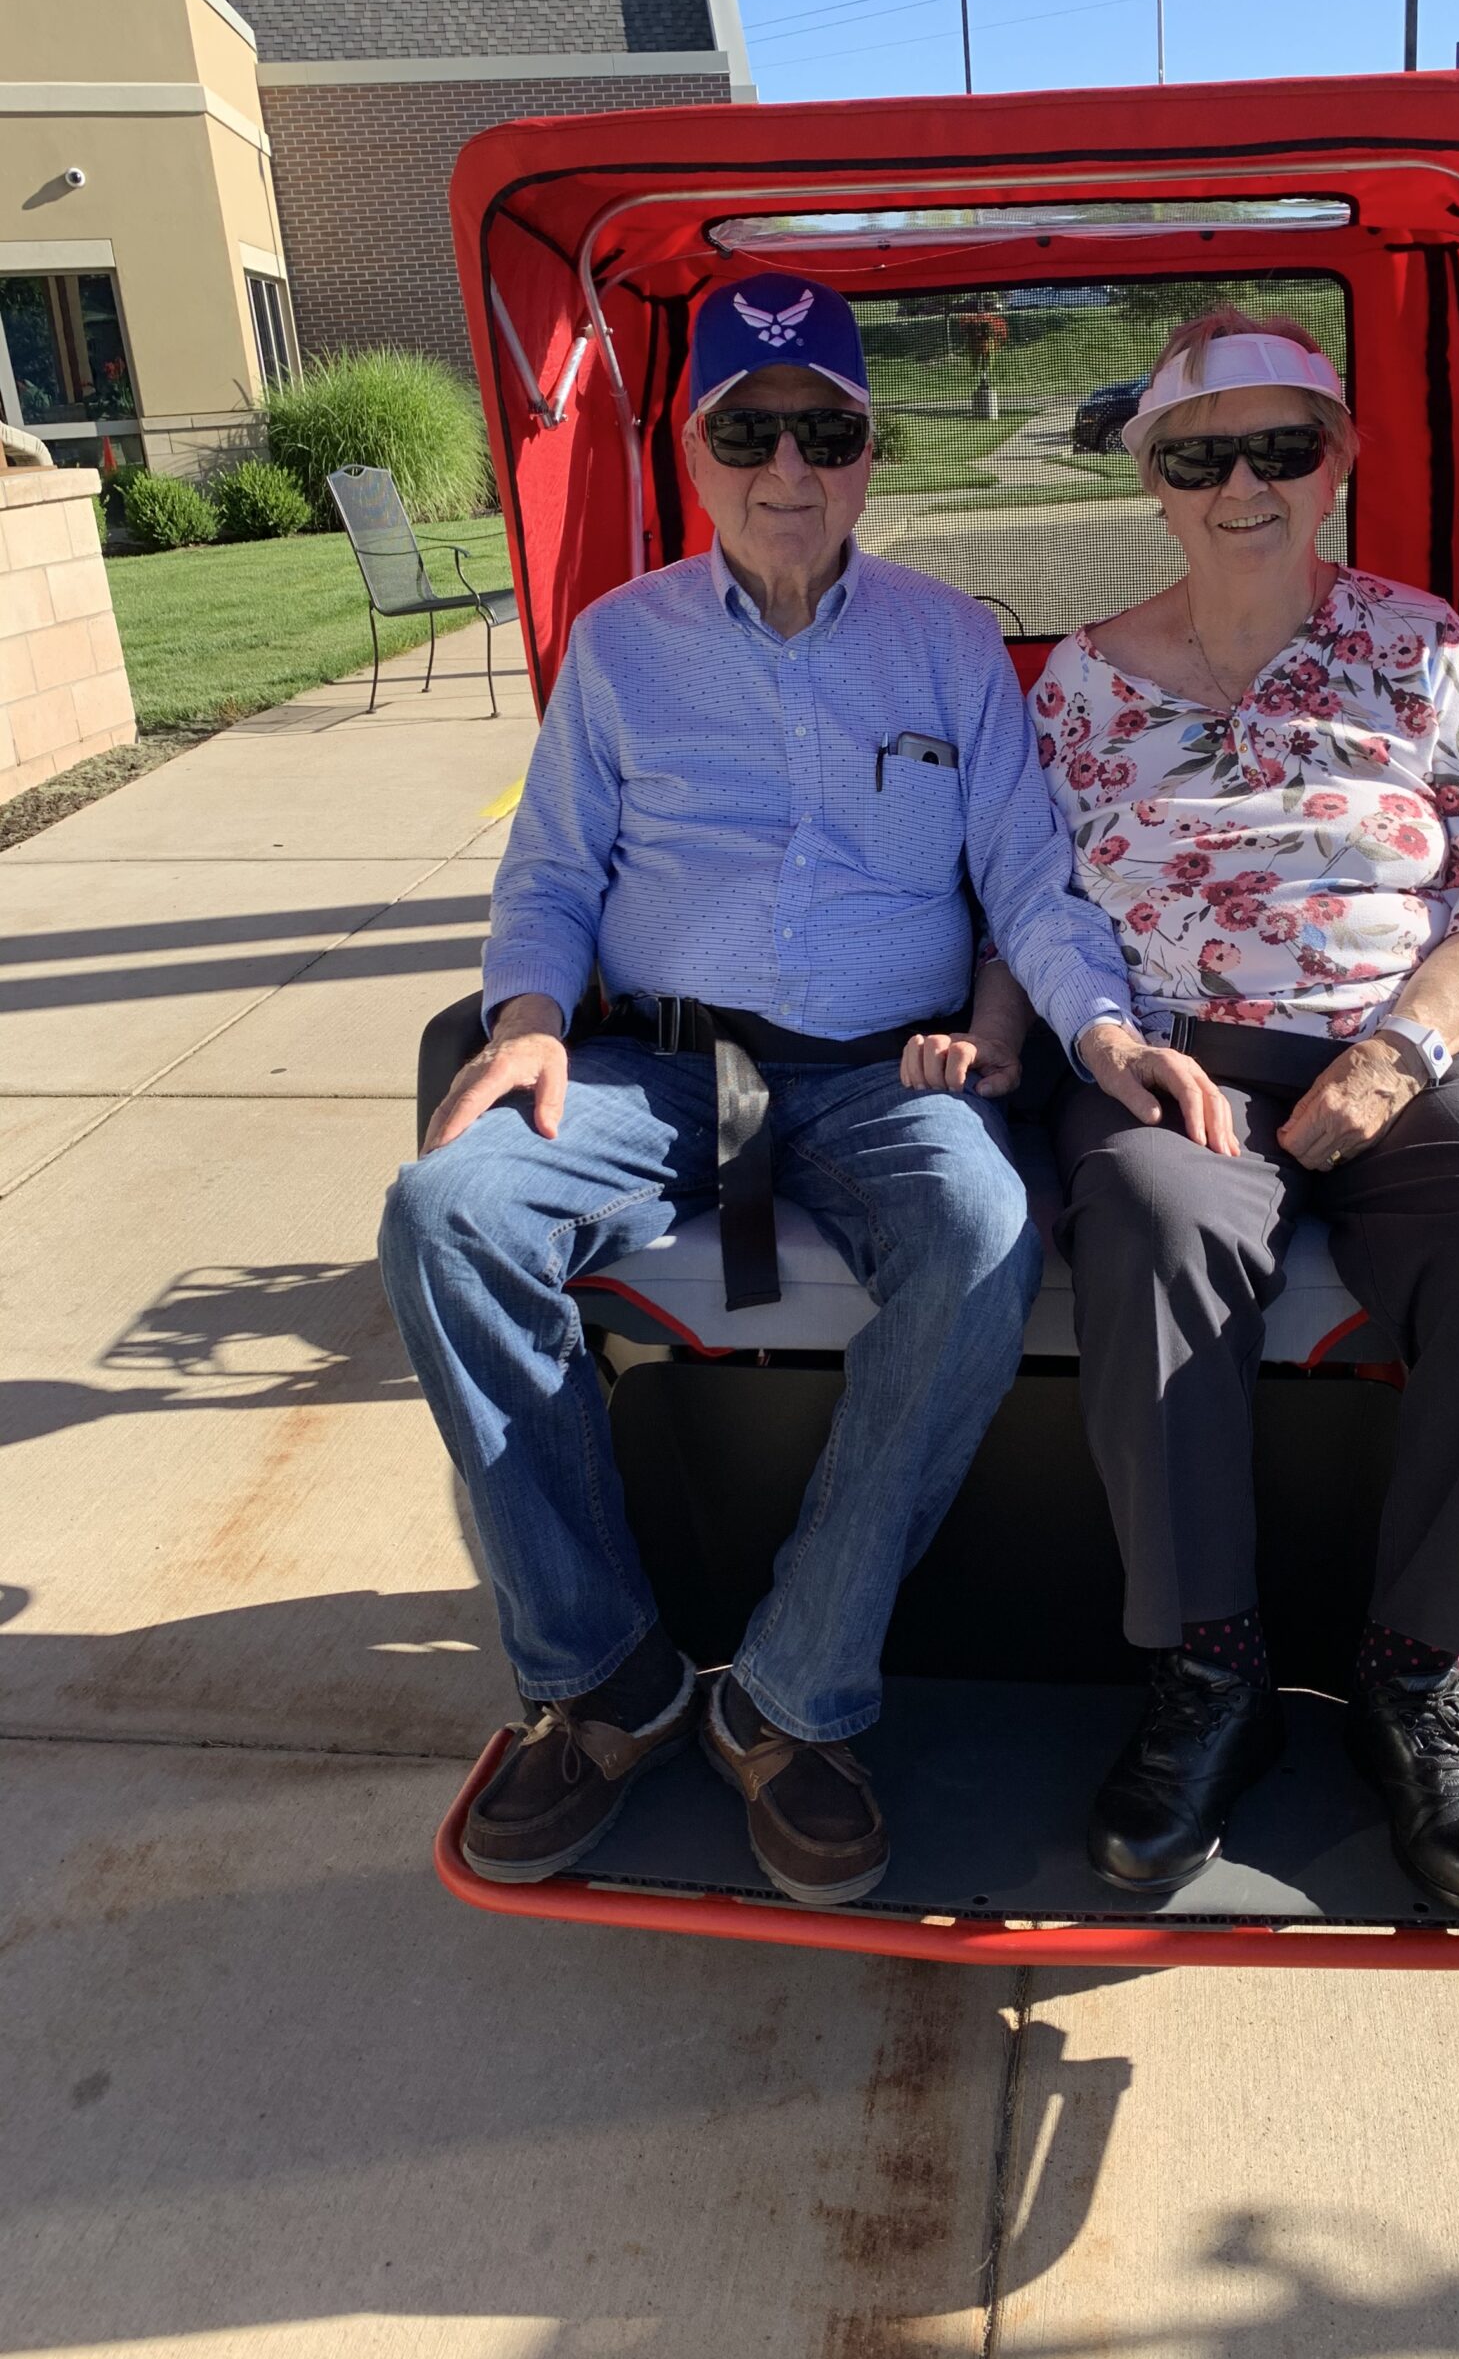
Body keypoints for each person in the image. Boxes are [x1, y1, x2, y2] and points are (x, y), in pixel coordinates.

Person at [380, 273, 1226, 1908]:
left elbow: (1029, 884)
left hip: (883, 1076)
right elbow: (549, 875)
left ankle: (789, 1698)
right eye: (749, 429)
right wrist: (534, 1017)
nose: (789, 465)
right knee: (446, 1212)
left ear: (866, 449)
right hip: (653, 1068)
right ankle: (606, 1678)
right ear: (694, 451)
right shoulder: (622, 649)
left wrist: (1098, 1034)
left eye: (824, 430)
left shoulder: (951, 641)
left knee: (986, 1224)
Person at [900, 309, 1459, 1912]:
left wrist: (1399, 1054)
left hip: (1401, 1044)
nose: (1244, 485)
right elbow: (1037, 892)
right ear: (1153, 479)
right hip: (1172, 1057)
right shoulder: (1078, 685)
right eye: (1203, 455)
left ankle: (1419, 1680)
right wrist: (1070, 1042)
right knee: (1150, 1215)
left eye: (1284, 448)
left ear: (1337, 464)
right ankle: (1209, 1676)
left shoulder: (1418, 647)